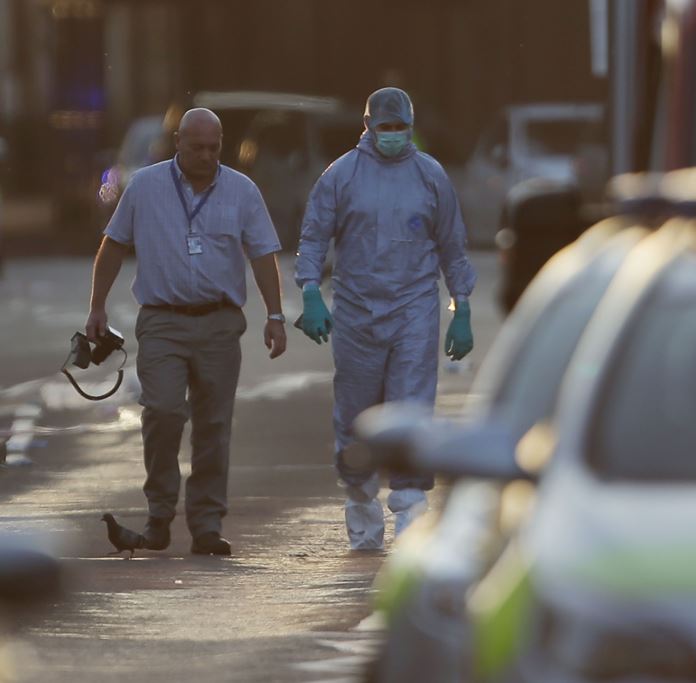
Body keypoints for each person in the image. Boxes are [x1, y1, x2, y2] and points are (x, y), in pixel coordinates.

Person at [86, 107, 287, 556]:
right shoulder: (144, 186)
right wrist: (97, 306)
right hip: (162, 320)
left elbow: (262, 255)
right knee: (162, 411)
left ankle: (207, 524)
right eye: (196, 147)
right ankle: (159, 515)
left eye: (214, 148)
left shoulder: (241, 190)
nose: (206, 155)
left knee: (214, 424)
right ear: (178, 143)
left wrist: (275, 316)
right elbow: (114, 244)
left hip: (219, 322)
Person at [295, 87, 476, 550]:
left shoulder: (430, 176)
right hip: (356, 310)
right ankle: (360, 506)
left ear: (411, 127)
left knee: (412, 409)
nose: (393, 136)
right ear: (369, 125)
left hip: (414, 306)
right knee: (356, 414)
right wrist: (311, 291)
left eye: (400, 128)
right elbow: (314, 235)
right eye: (385, 128)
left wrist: (462, 306)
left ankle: (412, 518)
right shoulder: (341, 176)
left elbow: (452, 244)